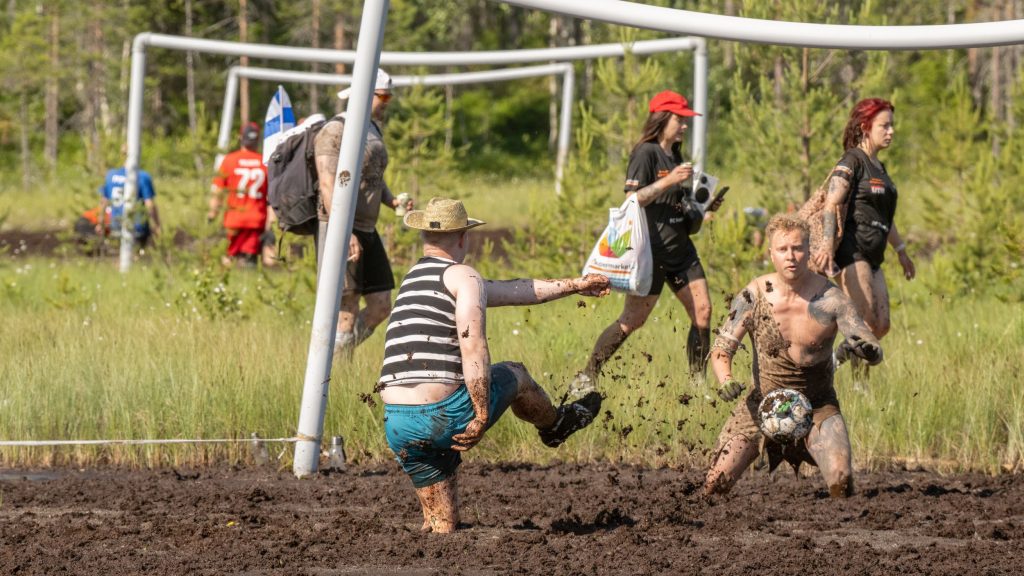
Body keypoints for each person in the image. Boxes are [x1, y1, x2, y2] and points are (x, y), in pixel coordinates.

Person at [379, 197, 609, 533]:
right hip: (441, 415)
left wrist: (575, 285)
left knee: (443, 525)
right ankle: (556, 426)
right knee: (515, 373)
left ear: (425, 238)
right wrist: (481, 412)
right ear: (463, 238)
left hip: (397, 424)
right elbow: (473, 344)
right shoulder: (463, 275)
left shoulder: (414, 279)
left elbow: (516, 290)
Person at [703, 214, 883, 499]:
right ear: (771, 253)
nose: (791, 256)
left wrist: (870, 351)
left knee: (842, 482)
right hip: (761, 403)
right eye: (783, 249)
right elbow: (722, 348)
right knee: (714, 485)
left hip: (819, 404)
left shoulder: (832, 298)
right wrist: (725, 380)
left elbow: (869, 344)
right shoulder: (753, 295)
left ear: (809, 250)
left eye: (798, 248)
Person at [571, 90, 723, 400]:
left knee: (703, 312)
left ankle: (698, 385)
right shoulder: (645, 153)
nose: (684, 126)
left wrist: (702, 207)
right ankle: (588, 374)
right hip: (650, 253)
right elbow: (632, 200)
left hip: (681, 250)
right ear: (663, 118)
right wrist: (668, 181)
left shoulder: (675, 154)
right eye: (680, 120)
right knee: (632, 321)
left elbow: (674, 202)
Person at [810, 98, 914, 381]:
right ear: (866, 127)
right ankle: (858, 384)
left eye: (892, 125)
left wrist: (901, 251)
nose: (891, 131)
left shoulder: (881, 169)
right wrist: (827, 247)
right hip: (852, 252)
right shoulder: (852, 160)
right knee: (864, 323)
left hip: (876, 255)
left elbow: (887, 218)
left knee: (880, 325)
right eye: (885, 125)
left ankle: (834, 359)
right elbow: (831, 204)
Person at [314, 67, 414, 357]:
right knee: (347, 304)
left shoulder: (371, 128)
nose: (387, 102)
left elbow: (373, 176)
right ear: (365, 94)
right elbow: (327, 183)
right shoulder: (335, 130)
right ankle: (335, 370)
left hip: (368, 230)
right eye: (383, 96)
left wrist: (392, 201)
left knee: (382, 303)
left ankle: (338, 355)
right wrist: (343, 232)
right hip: (341, 228)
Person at [208, 122, 275, 267]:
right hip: (256, 220)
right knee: (248, 260)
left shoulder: (229, 160)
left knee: (228, 259)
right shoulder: (265, 163)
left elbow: (217, 192)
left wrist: (212, 215)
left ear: (241, 137)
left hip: (233, 220)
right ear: (258, 140)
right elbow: (271, 199)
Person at [96, 157, 161, 249]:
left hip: (115, 225)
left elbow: (103, 202)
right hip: (138, 228)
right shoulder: (142, 177)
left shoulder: (111, 175)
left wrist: (100, 224)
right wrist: (157, 226)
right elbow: (149, 204)